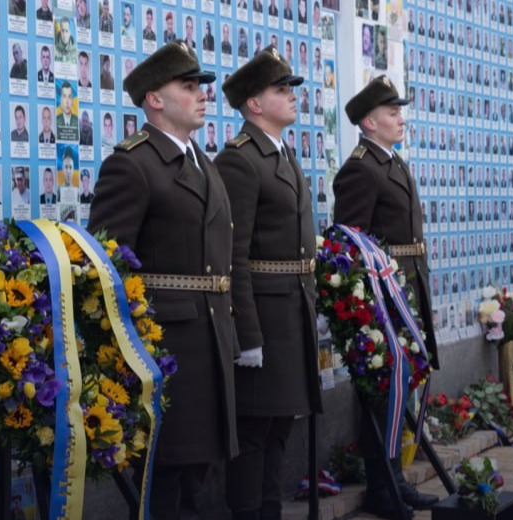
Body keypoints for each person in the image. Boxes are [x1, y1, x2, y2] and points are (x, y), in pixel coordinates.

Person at [90, 41, 236, 520]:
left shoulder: (203, 163)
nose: (202, 95)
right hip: (164, 344)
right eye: (188, 86)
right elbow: (107, 266)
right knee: (166, 472)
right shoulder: (132, 164)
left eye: (201, 86)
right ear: (155, 99)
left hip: (210, 336)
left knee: (199, 470)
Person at [216, 46, 322, 520]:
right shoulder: (240, 160)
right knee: (255, 430)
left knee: (280, 426)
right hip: (263, 316)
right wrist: (247, 334)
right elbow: (232, 256)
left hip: (290, 314)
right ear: (254, 103)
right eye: (281, 89)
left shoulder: (281, 153)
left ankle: (270, 511)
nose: (292, 96)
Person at [332, 76, 439, 519]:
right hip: (382, 300)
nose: (401, 119)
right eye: (392, 113)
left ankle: (396, 480)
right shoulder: (361, 168)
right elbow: (349, 244)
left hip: (405, 292)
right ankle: (381, 488)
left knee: (399, 392)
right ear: (370, 122)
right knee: (380, 396)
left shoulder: (390, 161)